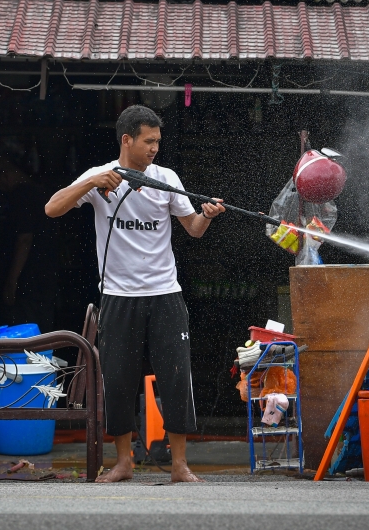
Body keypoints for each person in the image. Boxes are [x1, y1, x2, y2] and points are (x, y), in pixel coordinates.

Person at [45, 105, 225, 483]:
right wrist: (92, 183)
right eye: (149, 141)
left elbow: (192, 229)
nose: (155, 148)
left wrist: (206, 214)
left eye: (158, 141)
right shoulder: (100, 177)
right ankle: (124, 462)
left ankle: (179, 465)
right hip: (118, 297)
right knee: (119, 379)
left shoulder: (166, 178)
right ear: (127, 139)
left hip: (165, 294)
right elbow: (52, 208)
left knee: (176, 377)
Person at [0, 156, 58, 332]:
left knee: (26, 327)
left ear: (5, 174)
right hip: (43, 274)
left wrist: (12, 280)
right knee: (41, 325)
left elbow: (24, 239)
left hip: (29, 277)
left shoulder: (22, 196)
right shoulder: (39, 192)